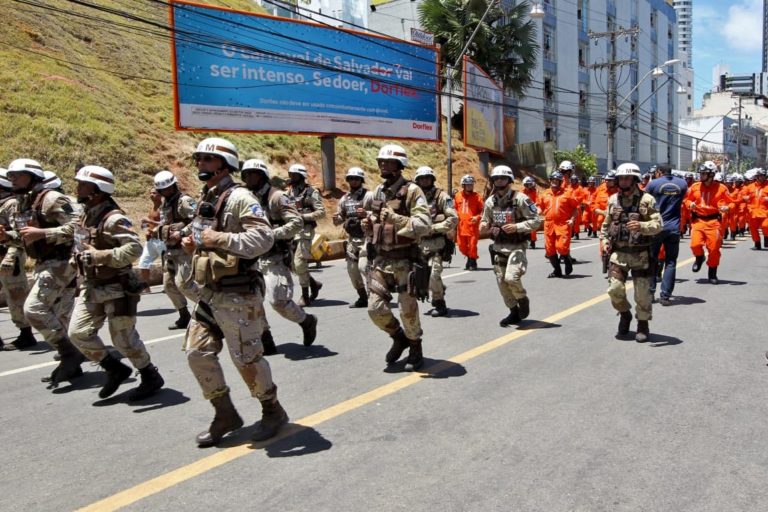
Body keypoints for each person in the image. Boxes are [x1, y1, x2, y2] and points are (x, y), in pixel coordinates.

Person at [181, 137, 287, 447]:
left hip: (237, 294)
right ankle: (224, 413)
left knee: (247, 359)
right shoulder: (208, 197)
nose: (200, 163)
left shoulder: (241, 197)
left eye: (206, 159)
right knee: (196, 352)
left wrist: (219, 239)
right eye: (198, 158)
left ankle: (272, 410)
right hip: (210, 294)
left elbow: (263, 239)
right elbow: (203, 233)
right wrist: (193, 242)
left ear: (225, 164)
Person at [68, 165, 165, 400]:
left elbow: (134, 248)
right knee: (78, 333)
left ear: (98, 190)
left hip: (116, 288)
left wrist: (101, 256)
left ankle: (149, 374)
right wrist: (77, 257)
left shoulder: (114, 218)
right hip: (91, 286)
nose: (78, 188)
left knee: (123, 340)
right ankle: (115, 368)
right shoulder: (86, 214)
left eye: (83, 184)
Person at [3, 159, 82, 384]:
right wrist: (8, 237)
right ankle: (73, 366)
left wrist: (44, 233)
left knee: (34, 309)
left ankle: (69, 354)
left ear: (32, 176)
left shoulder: (51, 199)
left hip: (62, 263)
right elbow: (26, 234)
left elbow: (78, 226)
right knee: (60, 316)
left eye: (17, 175)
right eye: (10, 176)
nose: (12, 179)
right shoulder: (22, 202)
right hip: (43, 263)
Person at [362, 144, 431, 371]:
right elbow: (377, 220)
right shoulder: (378, 192)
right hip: (382, 260)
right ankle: (398, 337)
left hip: (405, 262)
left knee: (407, 310)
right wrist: (369, 224)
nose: (382, 164)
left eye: (388, 161)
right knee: (375, 308)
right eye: (380, 161)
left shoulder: (412, 191)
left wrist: (395, 218)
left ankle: (415, 346)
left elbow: (423, 225)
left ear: (400, 165)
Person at [241, 158, 317, 354]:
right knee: (253, 302)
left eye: (252, 174)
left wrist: (270, 235)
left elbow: (296, 224)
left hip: (274, 256)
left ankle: (306, 320)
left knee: (278, 301)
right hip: (250, 257)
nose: (248, 178)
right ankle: (266, 339)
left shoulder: (277, 197)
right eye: (246, 174)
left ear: (261, 176)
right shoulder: (245, 198)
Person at [600, 163, 662, 342]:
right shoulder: (612, 200)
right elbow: (606, 225)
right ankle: (624, 313)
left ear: (635, 180)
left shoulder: (647, 200)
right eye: (621, 178)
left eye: (627, 178)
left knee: (642, 295)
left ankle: (643, 324)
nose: (623, 181)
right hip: (618, 254)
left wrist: (642, 226)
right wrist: (604, 241)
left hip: (640, 254)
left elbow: (659, 225)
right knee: (614, 289)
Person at [480, 165, 542, 327]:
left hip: (517, 246)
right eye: (496, 178)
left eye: (502, 178)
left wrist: (517, 227)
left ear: (509, 180)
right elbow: (485, 220)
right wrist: (484, 225)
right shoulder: (490, 202)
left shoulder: (521, 199)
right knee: (501, 282)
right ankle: (513, 312)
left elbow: (536, 221)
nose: (499, 181)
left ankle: (522, 299)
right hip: (499, 247)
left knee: (511, 277)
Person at [151, 171, 198, 329]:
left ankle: (210, 309)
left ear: (173, 186)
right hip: (169, 250)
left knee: (184, 284)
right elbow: (165, 222)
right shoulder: (165, 203)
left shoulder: (184, 201)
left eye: (166, 189)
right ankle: (184, 315)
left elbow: (199, 220)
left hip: (185, 250)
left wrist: (182, 233)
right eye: (161, 190)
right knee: (169, 285)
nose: (163, 192)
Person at [0, 168, 37, 350]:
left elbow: (19, 233)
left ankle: (26, 334)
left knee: (15, 296)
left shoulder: (12, 204)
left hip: (9, 256)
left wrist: (10, 257)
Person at [414, 166, 458, 317]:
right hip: (418, 244)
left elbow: (453, 218)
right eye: (421, 178)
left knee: (434, 275)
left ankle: (439, 303)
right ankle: (439, 288)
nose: (424, 180)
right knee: (421, 278)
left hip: (437, 243)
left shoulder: (442, 196)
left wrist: (434, 228)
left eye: (427, 178)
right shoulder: (413, 198)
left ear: (432, 179)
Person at [645, 164, 687, 306]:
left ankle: (650, 292)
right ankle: (665, 296)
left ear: (658, 172)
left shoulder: (653, 184)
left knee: (651, 260)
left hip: (656, 227)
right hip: (674, 227)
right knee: (671, 262)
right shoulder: (682, 184)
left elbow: (645, 203)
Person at [684, 161, 731, 284]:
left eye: (704, 173)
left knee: (714, 248)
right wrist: (690, 204)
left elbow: (731, 202)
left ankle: (712, 272)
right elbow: (686, 200)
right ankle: (699, 257)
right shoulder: (694, 187)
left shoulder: (722, 188)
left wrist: (728, 207)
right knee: (695, 244)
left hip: (714, 221)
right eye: (701, 173)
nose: (701, 176)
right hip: (698, 220)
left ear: (711, 175)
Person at [333, 167, 373, 308]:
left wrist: (367, 214)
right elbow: (339, 218)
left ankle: (373, 295)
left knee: (364, 267)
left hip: (367, 238)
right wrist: (337, 218)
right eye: (351, 179)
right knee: (352, 269)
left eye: (356, 179)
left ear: (361, 180)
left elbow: (380, 214)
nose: (353, 181)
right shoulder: (345, 199)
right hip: (352, 239)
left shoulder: (369, 196)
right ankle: (362, 297)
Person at [286, 164, 326, 306]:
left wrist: (304, 216)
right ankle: (314, 283)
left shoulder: (311, 192)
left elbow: (321, 212)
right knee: (293, 266)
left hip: (305, 231)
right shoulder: (288, 193)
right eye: (291, 175)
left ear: (302, 177)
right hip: (290, 231)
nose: (292, 178)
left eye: (295, 175)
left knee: (299, 263)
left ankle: (305, 295)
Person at [536, 171, 580, 278]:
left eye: (557, 181)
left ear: (560, 182)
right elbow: (539, 206)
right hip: (549, 224)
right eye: (553, 180)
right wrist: (536, 212)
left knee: (561, 247)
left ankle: (567, 259)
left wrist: (572, 219)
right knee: (550, 250)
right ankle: (557, 270)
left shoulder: (567, 193)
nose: (555, 182)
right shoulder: (544, 194)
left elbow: (576, 208)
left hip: (563, 224)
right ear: (550, 181)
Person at [136, 188, 164, 293]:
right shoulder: (151, 208)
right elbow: (146, 225)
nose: (151, 195)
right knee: (143, 262)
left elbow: (166, 223)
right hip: (150, 241)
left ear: (160, 195)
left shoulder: (163, 208)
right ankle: (146, 287)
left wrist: (149, 221)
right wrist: (146, 229)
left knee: (166, 263)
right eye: (150, 193)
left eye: (154, 193)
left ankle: (170, 285)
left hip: (161, 240)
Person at [454, 174, 483, 268]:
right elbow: (453, 209)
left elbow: (483, 211)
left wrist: (477, 217)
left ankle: (472, 261)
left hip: (472, 226)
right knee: (461, 246)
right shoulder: (457, 196)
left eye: (471, 184)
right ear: (463, 185)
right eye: (468, 184)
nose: (470, 186)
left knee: (472, 245)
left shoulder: (477, 197)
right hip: (461, 226)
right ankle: (469, 257)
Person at [742, 168, 768, 250]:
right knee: (753, 229)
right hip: (753, 211)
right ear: (756, 177)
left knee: (766, 226)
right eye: (760, 176)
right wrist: (745, 197)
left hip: (766, 212)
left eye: (763, 176)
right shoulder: (750, 187)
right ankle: (757, 243)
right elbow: (743, 195)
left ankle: (767, 239)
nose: (762, 178)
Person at [520, 176, 539, 248]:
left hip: (532, 210)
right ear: (525, 185)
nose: (530, 186)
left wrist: (534, 206)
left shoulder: (535, 191)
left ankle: (533, 241)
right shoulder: (521, 192)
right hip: (523, 210)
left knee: (532, 226)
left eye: (531, 184)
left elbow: (538, 200)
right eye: (529, 184)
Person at [568, 174, 588, 239]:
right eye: (572, 180)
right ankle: (571, 233)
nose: (573, 181)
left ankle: (576, 234)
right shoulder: (568, 187)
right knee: (569, 220)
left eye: (574, 180)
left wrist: (575, 199)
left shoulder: (580, 188)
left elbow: (582, 196)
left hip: (577, 206)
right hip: (569, 207)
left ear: (576, 181)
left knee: (576, 222)